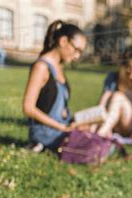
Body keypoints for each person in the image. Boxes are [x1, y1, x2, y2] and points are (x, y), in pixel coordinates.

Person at [22, 20, 87, 151]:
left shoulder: (59, 66)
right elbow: (28, 108)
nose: (77, 56)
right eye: (76, 50)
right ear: (63, 41)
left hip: (61, 127)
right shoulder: (41, 67)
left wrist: (74, 121)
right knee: (94, 147)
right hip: (46, 133)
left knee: (101, 137)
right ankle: (38, 145)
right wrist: (61, 127)